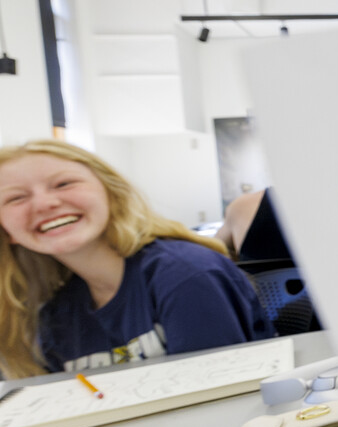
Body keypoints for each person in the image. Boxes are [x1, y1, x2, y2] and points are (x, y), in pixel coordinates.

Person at [0, 140, 273, 379]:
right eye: (15, 198)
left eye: (63, 183)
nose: (44, 204)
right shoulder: (54, 315)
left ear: (111, 193)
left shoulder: (185, 274)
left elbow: (213, 400)